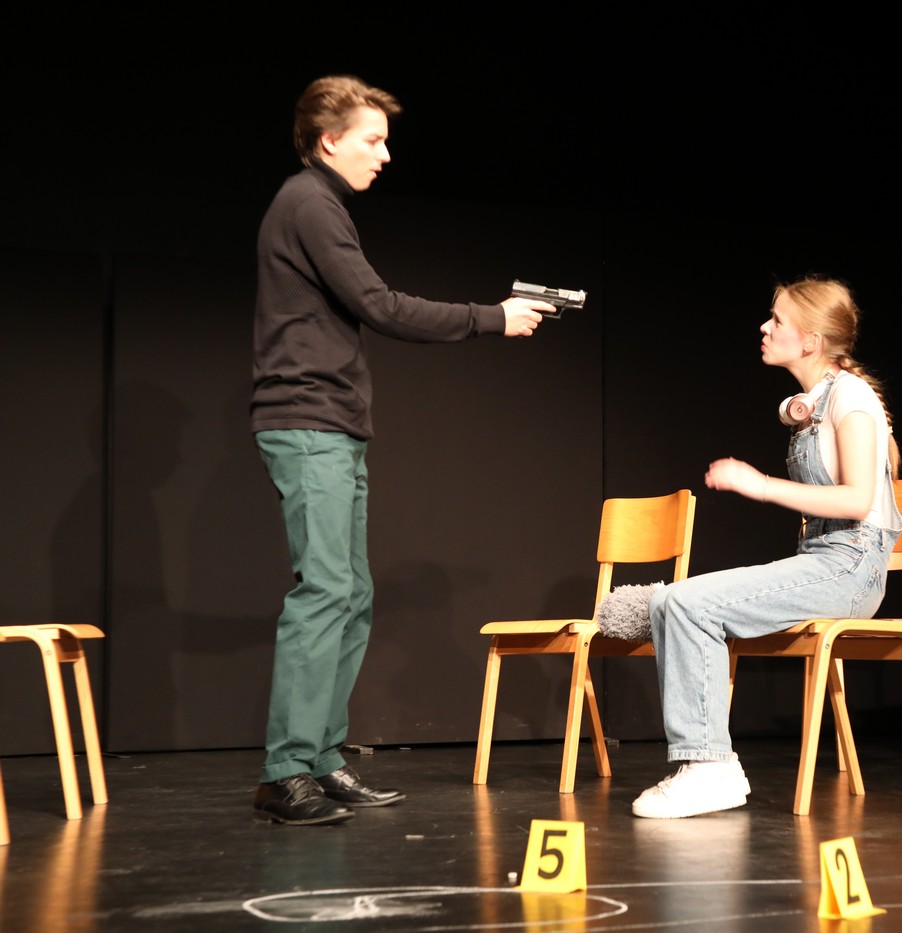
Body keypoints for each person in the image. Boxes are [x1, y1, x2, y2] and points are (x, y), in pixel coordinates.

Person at [249, 74, 554, 826]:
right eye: (373, 140)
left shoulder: (321, 205)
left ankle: (321, 758)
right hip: (307, 420)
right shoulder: (309, 202)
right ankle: (284, 771)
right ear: (330, 140)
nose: (385, 155)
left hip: (334, 424)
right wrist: (491, 317)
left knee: (350, 593)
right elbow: (378, 305)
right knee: (325, 590)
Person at [633, 276, 902, 819]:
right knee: (668, 601)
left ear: (811, 341)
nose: (764, 326)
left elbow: (857, 500)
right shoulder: (823, 396)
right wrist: (797, 410)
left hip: (852, 565)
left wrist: (759, 484)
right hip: (825, 559)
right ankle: (703, 764)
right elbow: (805, 415)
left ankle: (710, 768)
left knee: (688, 604)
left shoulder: (851, 397)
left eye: (777, 320)